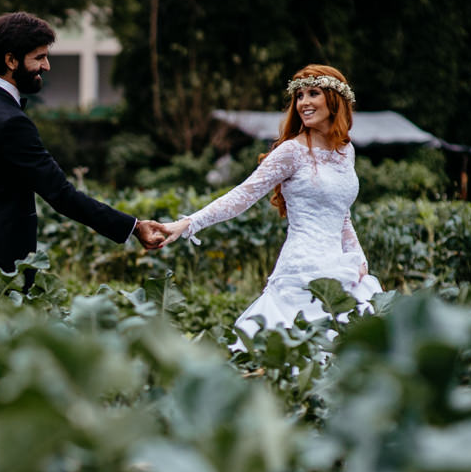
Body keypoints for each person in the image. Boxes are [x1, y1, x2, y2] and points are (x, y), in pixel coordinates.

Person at [159, 64, 382, 342]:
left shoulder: (345, 151)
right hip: (302, 270)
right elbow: (243, 195)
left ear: (335, 99)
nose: (304, 103)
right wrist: (188, 223)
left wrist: (359, 259)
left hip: (342, 269)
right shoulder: (291, 151)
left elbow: (342, 216)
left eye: (313, 93)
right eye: (299, 96)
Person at [0, 12, 166, 287]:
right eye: (38, 58)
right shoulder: (10, 122)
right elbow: (61, 194)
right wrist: (133, 227)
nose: (47, 66)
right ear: (11, 60)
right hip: (0, 271)